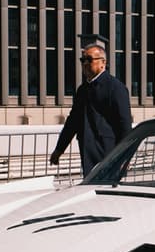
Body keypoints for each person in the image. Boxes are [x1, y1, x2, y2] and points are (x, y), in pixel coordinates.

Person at [49, 34, 132, 175]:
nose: (85, 63)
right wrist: (59, 149)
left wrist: (125, 156)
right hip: (87, 152)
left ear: (103, 63)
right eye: (83, 60)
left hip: (108, 153)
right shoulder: (82, 89)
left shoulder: (115, 88)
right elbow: (72, 122)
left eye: (89, 59)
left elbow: (124, 124)